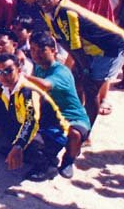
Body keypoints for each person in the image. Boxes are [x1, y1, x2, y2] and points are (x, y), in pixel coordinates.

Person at [36, 0, 124, 125]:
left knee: (91, 88)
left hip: (111, 47)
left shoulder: (67, 12)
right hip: (89, 48)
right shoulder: (46, 10)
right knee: (76, 82)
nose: (42, 3)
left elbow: (75, 46)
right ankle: (76, 118)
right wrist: (81, 69)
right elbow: (62, 40)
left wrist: (85, 69)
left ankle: (86, 131)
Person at [29, 31, 91, 179]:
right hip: (52, 114)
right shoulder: (38, 68)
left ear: (53, 50)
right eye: (33, 50)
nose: (36, 54)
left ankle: (69, 160)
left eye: (42, 50)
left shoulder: (61, 71)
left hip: (73, 118)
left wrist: (19, 75)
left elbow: (45, 85)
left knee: (74, 135)